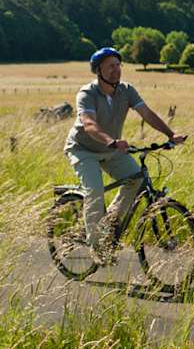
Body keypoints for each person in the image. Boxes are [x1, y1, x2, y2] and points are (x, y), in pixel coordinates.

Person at [65, 47, 187, 264]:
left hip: (111, 150)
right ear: (98, 70)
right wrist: (111, 141)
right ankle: (97, 247)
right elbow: (89, 124)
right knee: (95, 191)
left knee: (137, 178)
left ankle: (110, 223)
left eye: (118, 65)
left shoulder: (126, 91)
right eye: (110, 66)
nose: (116, 70)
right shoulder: (87, 94)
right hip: (84, 150)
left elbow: (146, 113)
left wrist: (171, 134)